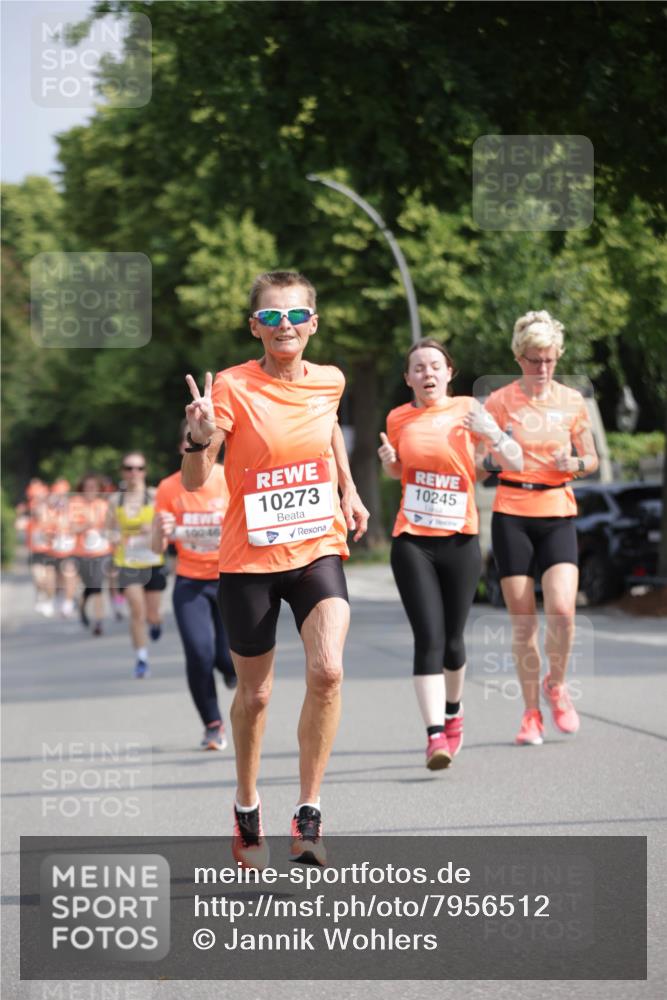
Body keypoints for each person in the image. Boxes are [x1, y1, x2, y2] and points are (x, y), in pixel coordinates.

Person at [182, 270, 368, 869]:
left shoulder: (331, 380)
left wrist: (350, 487)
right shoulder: (232, 388)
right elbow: (197, 479)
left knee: (330, 670)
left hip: (317, 544)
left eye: (294, 316)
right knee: (256, 695)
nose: (283, 326)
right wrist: (197, 436)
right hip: (248, 559)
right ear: (254, 327)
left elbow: (329, 428)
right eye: (270, 317)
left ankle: (309, 810)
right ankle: (246, 806)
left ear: (313, 322)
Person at [378, 339, 523, 770]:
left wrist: (492, 433)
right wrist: (389, 461)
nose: (427, 373)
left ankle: (454, 711)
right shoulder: (398, 418)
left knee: (454, 642)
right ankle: (434, 736)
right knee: (429, 638)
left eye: (434, 366)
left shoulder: (468, 410)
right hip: (412, 540)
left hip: (459, 538)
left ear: (448, 372)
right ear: (408, 378)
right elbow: (398, 472)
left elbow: (513, 461)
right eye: (418, 368)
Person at [484, 310, 599, 746]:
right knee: (523, 623)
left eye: (549, 359)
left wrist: (576, 463)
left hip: (557, 511)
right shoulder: (498, 402)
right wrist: (499, 455)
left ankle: (557, 684)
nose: (543, 368)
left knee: (564, 612)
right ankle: (531, 713)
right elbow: (480, 462)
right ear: (519, 358)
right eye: (534, 360)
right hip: (512, 511)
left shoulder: (572, 401)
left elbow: (590, 459)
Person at [152, 423, 237, 752]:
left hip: (230, 578)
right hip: (189, 582)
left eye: (206, 439)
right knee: (199, 654)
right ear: (183, 449)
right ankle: (212, 724)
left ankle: (230, 669)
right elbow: (155, 545)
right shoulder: (168, 488)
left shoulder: (229, 478)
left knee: (229, 659)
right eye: (191, 440)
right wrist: (161, 530)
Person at [107, 453, 167, 678]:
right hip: (128, 562)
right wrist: (116, 536)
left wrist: (151, 531)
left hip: (152, 561)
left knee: (152, 614)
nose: (134, 473)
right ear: (122, 471)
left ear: (145, 471)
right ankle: (141, 658)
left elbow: (168, 524)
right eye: (129, 468)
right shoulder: (116, 501)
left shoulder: (155, 496)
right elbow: (108, 529)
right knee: (137, 611)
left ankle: (156, 623)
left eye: (138, 468)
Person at [70, 473, 113, 636]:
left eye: (94, 488)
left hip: (102, 552)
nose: (90, 491)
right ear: (82, 489)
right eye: (87, 487)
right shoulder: (75, 504)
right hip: (81, 553)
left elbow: (111, 527)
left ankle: (98, 621)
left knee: (97, 587)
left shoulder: (104, 505)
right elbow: (70, 528)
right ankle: (81, 607)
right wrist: (85, 526)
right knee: (89, 587)